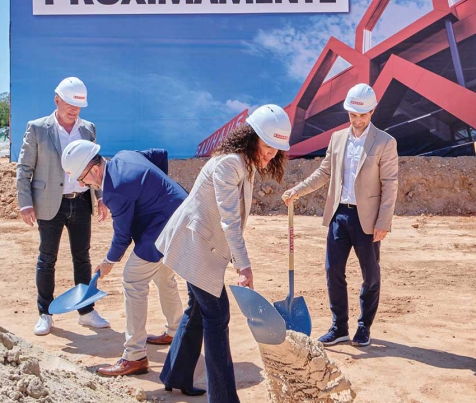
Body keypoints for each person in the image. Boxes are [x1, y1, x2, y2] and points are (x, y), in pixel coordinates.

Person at [156, 104, 291, 402]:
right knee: (217, 316)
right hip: (194, 245)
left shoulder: (246, 163)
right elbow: (229, 219)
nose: (270, 154)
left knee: (197, 310)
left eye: (277, 150)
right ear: (252, 137)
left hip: (202, 244)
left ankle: (175, 375)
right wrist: (243, 266)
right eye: (268, 146)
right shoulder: (230, 164)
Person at [59, 141, 189, 381]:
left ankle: (134, 356)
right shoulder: (124, 156)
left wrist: (108, 261)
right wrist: (159, 193)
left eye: (81, 178)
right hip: (181, 213)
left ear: (95, 170)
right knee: (162, 274)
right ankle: (175, 330)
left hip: (164, 227)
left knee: (133, 280)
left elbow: (122, 236)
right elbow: (159, 154)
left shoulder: (115, 190)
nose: (81, 184)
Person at [282, 84, 398, 347]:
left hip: (367, 219)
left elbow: (390, 184)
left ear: (372, 111)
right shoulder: (337, 139)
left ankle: (363, 327)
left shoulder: (385, 142)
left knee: (370, 275)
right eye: (353, 115)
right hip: (339, 215)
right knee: (333, 270)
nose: (357, 121)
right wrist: (297, 191)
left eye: (363, 115)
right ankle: (339, 327)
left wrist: (384, 222)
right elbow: (325, 172)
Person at [16, 77, 110, 336]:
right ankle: (45, 313)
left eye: (78, 106)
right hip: (49, 204)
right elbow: (24, 169)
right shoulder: (37, 129)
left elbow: (95, 166)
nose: (74, 110)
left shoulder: (88, 129)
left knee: (83, 258)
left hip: (81, 202)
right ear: (57, 99)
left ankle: (86, 311)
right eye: (69, 103)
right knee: (47, 259)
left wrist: (101, 197)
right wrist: (25, 204)